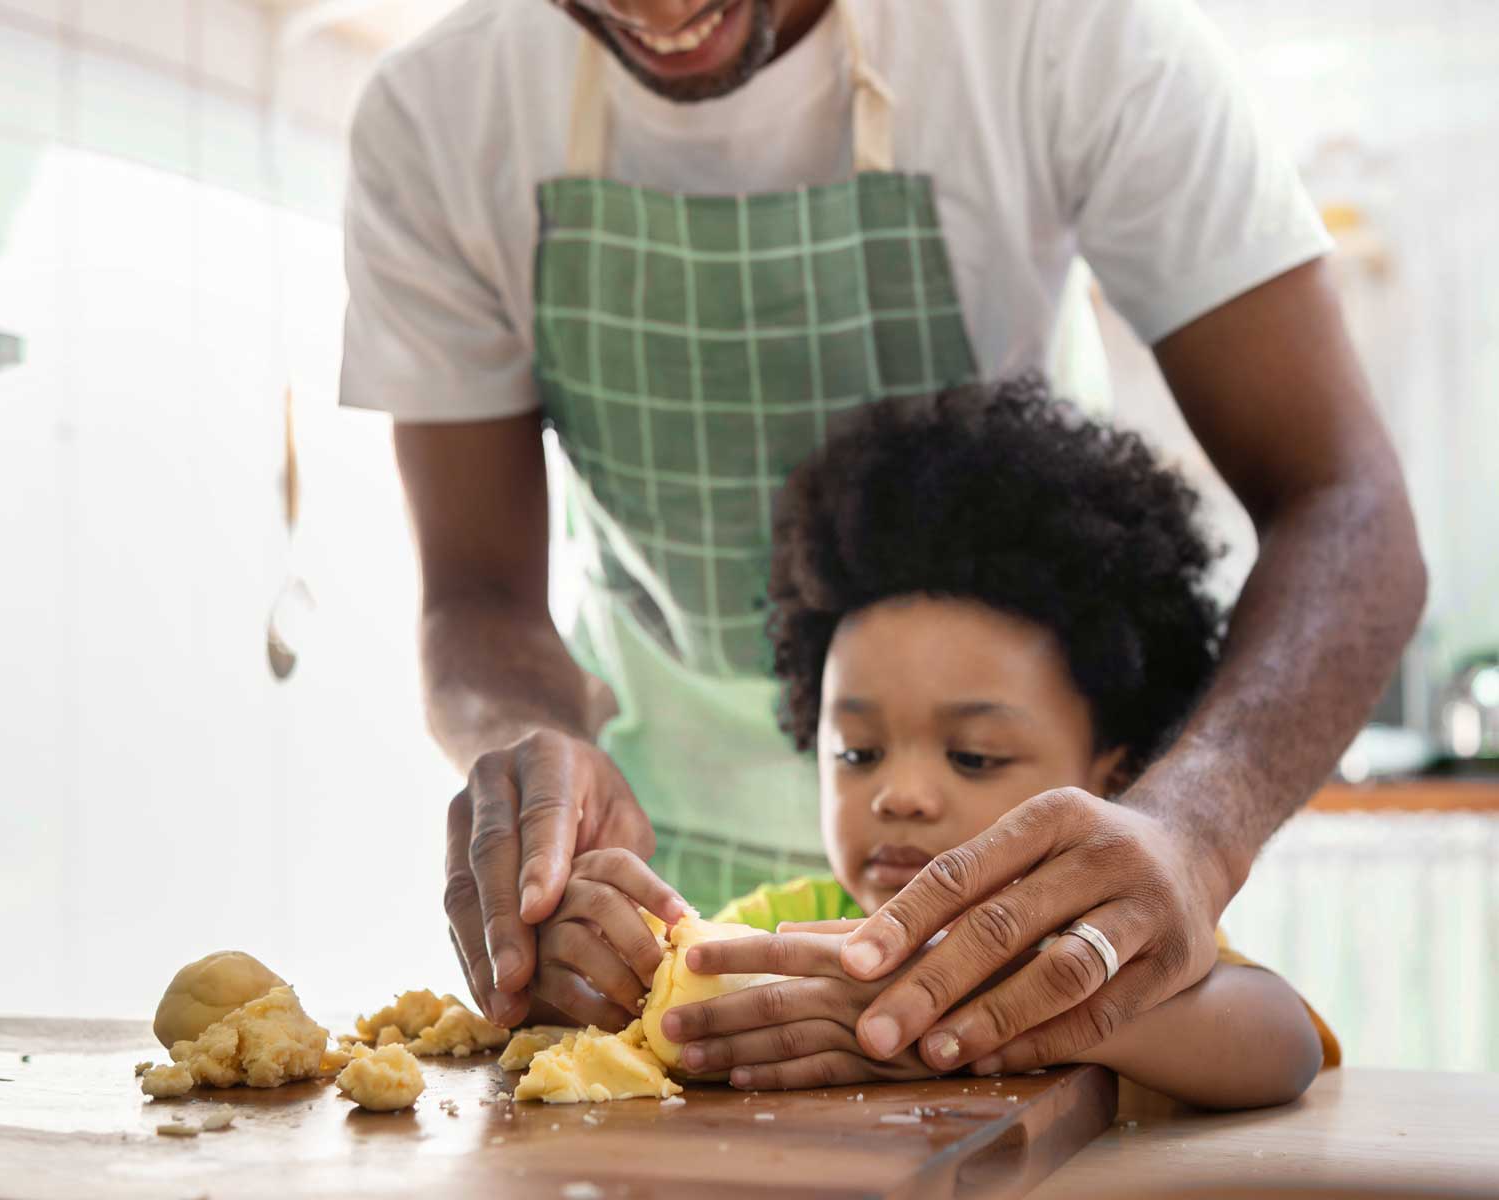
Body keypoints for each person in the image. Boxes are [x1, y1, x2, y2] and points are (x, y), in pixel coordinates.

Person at [340, 0, 1425, 1069]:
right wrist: (534, 779)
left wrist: (1191, 834)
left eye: (970, 750)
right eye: (858, 749)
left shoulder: (1065, 37)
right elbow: (475, 595)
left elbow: (1345, 501)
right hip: (651, 879)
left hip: (1051, 878)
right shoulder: (439, 113)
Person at [533, 377, 1340, 1104]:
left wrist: (1024, 1005)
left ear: (1114, 769)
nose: (900, 795)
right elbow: (657, 1015)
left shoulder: (1112, 932)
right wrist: (589, 962)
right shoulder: (795, 927)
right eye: (857, 752)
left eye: (973, 757)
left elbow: (1282, 1045)